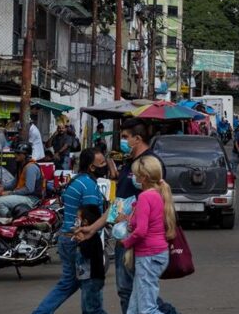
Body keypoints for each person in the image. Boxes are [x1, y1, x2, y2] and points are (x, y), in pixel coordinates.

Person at [75, 118, 177, 314]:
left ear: (137, 139)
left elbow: (156, 207)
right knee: (131, 291)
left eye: (124, 137)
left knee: (136, 292)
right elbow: (118, 205)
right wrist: (93, 228)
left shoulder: (149, 164)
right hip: (128, 236)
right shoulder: (130, 163)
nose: (121, 141)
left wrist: (130, 223)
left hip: (140, 240)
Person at [32, 148, 107, 314]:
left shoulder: (77, 180)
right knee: (91, 289)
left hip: (67, 238)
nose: (105, 165)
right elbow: (91, 217)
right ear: (91, 167)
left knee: (69, 283)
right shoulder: (88, 185)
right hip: (81, 241)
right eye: (101, 163)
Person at [121, 155, 177, 314]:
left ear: (143, 178)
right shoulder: (157, 194)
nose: (133, 177)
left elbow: (141, 231)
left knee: (147, 309)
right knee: (134, 307)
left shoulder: (145, 197)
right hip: (156, 254)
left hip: (148, 256)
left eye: (135, 174)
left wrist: (125, 242)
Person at [0, 142, 42, 218]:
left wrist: (10, 193)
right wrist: (2, 187)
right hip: (23, 195)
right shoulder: (22, 165)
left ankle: (11, 220)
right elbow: (13, 183)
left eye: (18, 153)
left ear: (26, 155)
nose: (15, 155)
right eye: (15, 153)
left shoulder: (31, 168)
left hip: (31, 199)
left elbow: (29, 189)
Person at [76, 204, 107, 314]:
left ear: (85, 222)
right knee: (87, 309)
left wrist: (82, 241)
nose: (76, 221)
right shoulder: (86, 235)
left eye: (78, 218)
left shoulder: (92, 237)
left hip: (93, 278)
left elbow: (87, 253)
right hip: (86, 278)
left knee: (93, 309)